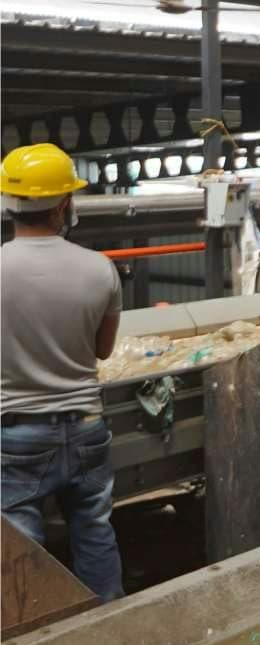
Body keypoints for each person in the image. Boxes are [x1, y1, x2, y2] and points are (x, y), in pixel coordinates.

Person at [1, 143, 124, 602]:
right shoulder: (99, 269)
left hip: (16, 436)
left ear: (8, 203)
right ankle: (110, 631)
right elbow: (104, 349)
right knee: (94, 533)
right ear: (65, 204)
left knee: (20, 553)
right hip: (87, 428)